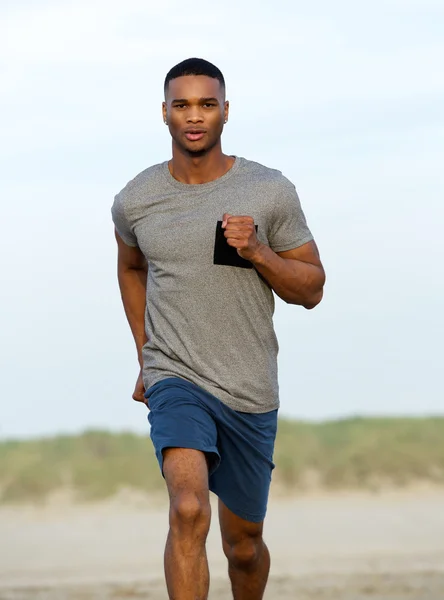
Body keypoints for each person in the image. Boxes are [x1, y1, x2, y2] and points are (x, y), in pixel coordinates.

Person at [111, 57, 325, 600]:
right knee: (188, 509)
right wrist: (145, 356)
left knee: (244, 546)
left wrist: (258, 251)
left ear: (226, 111)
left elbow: (312, 288)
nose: (195, 116)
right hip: (175, 376)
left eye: (207, 103)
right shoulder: (136, 200)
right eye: (182, 104)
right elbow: (131, 268)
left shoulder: (269, 191)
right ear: (164, 113)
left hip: (249, 387)